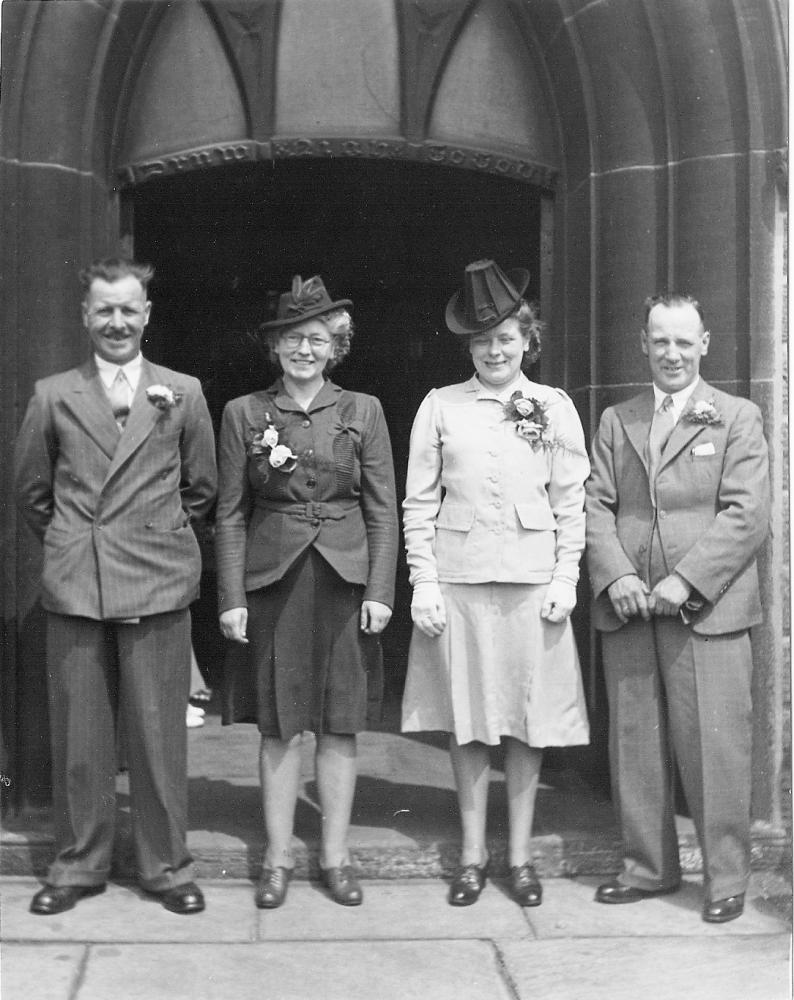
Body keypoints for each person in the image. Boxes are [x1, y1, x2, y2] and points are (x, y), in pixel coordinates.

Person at [15, 257, 217, 915]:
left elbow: (201, 487)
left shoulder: (181, 392)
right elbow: (31, 491)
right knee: (81, 734)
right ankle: (78, 866)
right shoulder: (53, 394)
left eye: (129, 308)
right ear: (85, 316)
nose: (117, 322)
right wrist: (80, 538)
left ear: (147, 314)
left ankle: (166, 867)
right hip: (78, 580)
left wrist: (151, 533)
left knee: (159, 734)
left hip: (157, 578)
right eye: (104, 309)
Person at [401, 259, 590, 907]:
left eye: (506, 336)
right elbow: (418, 503)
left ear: (527, 339)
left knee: (527, 721)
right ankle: (474, 855)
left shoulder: (552, 408)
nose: (494, 349)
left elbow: (571, 502)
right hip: (458, 583)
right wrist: (423, 583)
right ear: (468, 346)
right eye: (482, 340)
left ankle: (520, 857)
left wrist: (566, 577)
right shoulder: (439, 408)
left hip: (533, 585)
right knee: (468, 718)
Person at [585, 292, 770, 924]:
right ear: (643, 343)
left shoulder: (737, 417)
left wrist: (685, 581)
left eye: (684, 342)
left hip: (707, 613)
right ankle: (647, 869)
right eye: (660, 340)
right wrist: (615, 578)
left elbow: (748, 516)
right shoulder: (618, 420)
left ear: (704, 344)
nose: (671, 353)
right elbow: (595, 506)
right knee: (636, 741)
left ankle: (725, 881)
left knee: (715, 748)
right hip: (632, 610)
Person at [215, 274, 398, 909]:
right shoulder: (244, 412)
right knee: (280, 722)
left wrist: (380, 589)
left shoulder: (362, 410)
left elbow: (382, 511)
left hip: (345, 581)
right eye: (293, 339)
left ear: (335, 345)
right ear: (275, 347)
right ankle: (277, 858)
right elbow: (231, 513)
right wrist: (231, 596)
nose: (304, 350)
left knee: (340, 723)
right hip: (276, 581)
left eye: (316, 339)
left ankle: (336, 856)